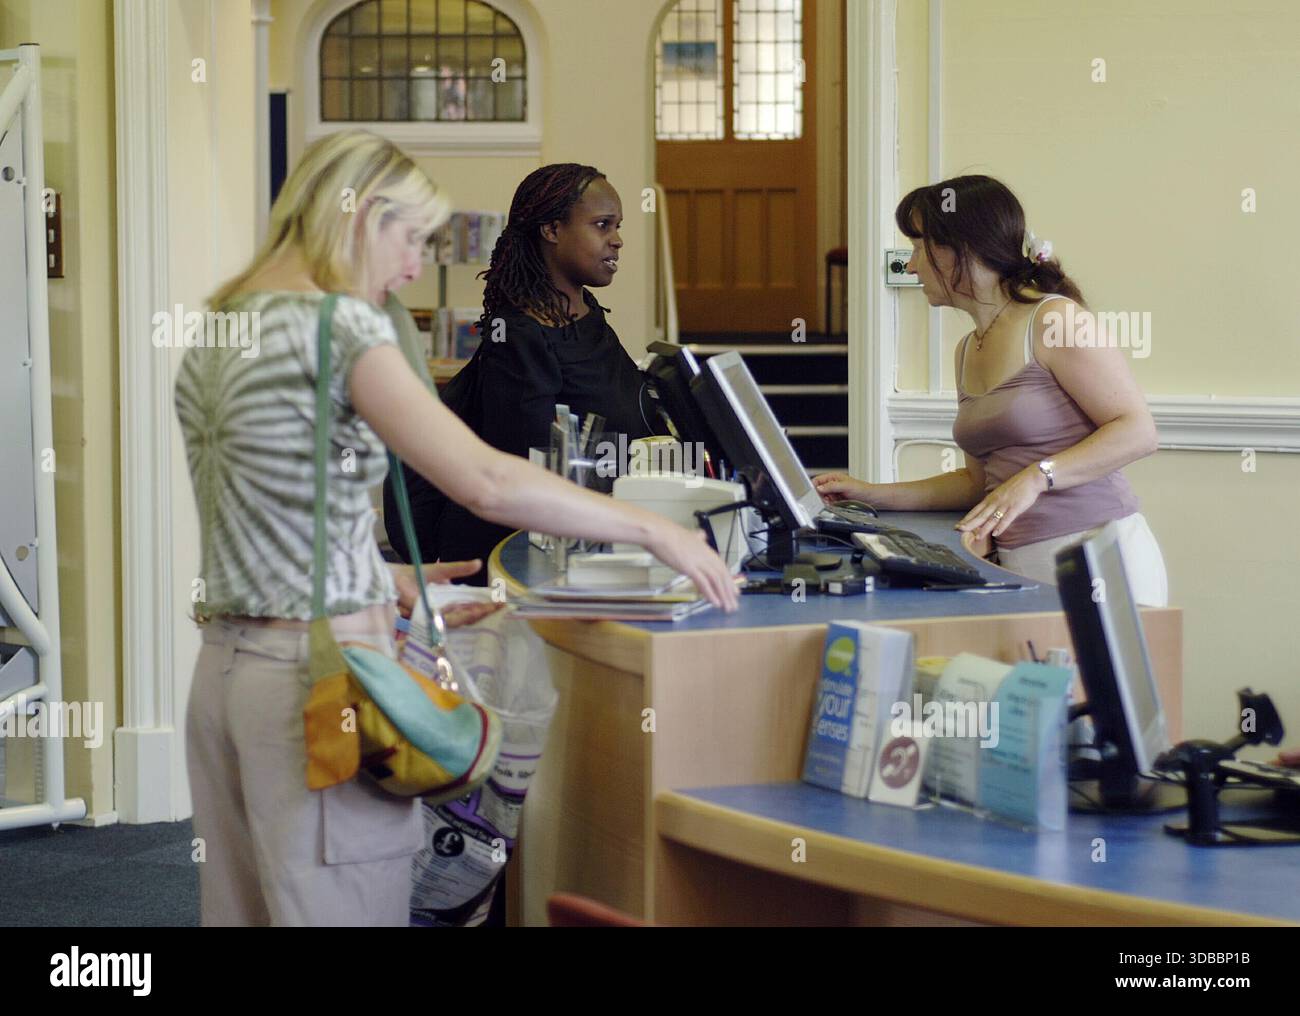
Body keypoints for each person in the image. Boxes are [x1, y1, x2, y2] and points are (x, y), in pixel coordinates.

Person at [175, 131, 737, 927]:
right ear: (361, 216)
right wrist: (659, 534)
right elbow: (486, 476)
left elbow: (274, 517)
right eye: (409, 239)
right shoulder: (338, 326)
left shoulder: (224, 324)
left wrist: (395, 583)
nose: (412, 268)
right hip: (323, 682)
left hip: (226, 674)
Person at [815, 175, 1167, 606]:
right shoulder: (967, 350)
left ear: (956, 249)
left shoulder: (1054, 320)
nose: (910, 266)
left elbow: (1138, 431)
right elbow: (976, 482)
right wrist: (872, 492)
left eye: (918, 248)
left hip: (1100, 558)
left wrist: (1038, 477)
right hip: (1020, 565)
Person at [385, 164, 663, 575]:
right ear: (551, 230)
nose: (617, 241)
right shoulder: (519, 338)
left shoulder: (584, 315)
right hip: (519, 558)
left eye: (617, 226)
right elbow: (526, 471)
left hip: (584, 536)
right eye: (602, 225)